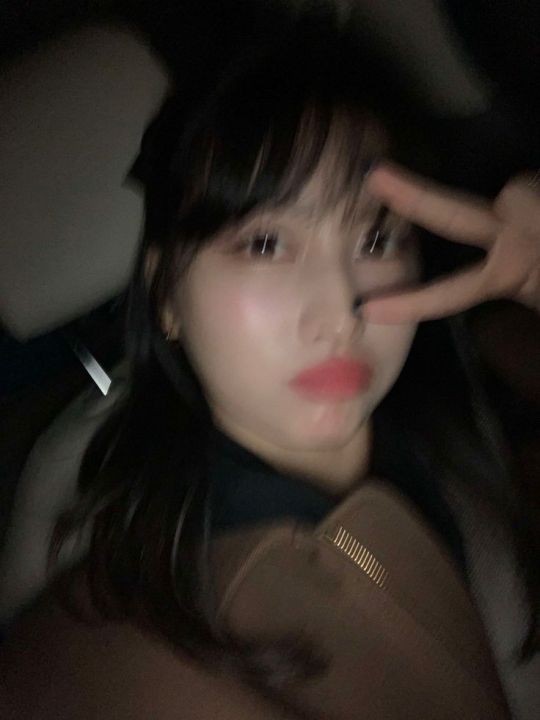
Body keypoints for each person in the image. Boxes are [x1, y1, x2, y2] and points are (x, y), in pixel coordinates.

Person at [1, 19, 539, 720]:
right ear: (166, 296)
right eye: (264, 244)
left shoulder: (456, 438)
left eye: (377, 239)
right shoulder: (118, 611)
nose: (339, 313)